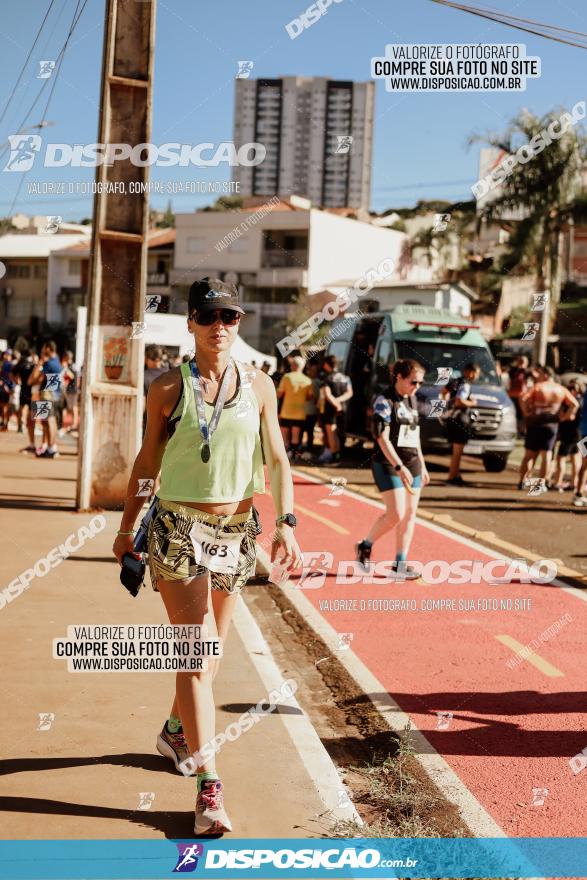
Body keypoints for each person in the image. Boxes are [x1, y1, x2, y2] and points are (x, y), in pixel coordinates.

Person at [112, 277, 303, 836]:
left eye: (231, 317)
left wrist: (286, 524)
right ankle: (208, 787)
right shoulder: (168, 388)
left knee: (212, 652)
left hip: (237, 528)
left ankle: (177, 729)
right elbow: (147, 463)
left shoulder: (261, 386)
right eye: (209, 316)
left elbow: (280, 460)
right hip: (178, 527)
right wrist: (127, 529)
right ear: (191, 322)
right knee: (196, 657)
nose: (220, 326)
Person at [356, 359, 429, 579]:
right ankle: (365, 545)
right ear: (398, 377)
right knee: (396, 513)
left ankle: (400, 563)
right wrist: (398, 466)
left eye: (420, 383)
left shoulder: (413, 399)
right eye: (413, 382)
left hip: (412, 463)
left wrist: (422, 465)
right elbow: (381, 438)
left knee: (410, 515)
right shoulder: (384, 401)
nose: (417, 387)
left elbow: (415, 437)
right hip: (388, 463)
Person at [518, 365, 579, 490]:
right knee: (547, 455)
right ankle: (541, 484)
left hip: (536, 422)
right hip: (551, 424)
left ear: (546, 374)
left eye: (540, 374)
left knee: (529, 454)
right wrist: (564, 417)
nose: (538, 377)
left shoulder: (538, 387)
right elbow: (574, 404)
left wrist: (526, 413)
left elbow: (522, 398)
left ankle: (522, 481)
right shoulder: (560, 389)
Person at [442, 362, 481, 486]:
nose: (477, 376)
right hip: (460, 420)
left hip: (453, 418)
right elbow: (459, 401)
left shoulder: (456, 381)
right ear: (470, 372)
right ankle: (452, 477)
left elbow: (443, 391)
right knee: (457, 452)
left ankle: (455, 475)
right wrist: (473, 403)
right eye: (477, 373)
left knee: (456, 451)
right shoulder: (465, 384)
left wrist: (447, 405)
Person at [28, 341, 62, 458]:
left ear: (48, 348)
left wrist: (40, 363)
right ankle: (48, 446)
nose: (42, 351)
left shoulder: (49, 363)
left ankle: (52, 447)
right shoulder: (56, 362)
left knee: (49, 421)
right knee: (46, 422)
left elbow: (34, 379)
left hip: (47, 395)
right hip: (51, 394)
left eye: (44, 348)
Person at [317, 354, 353, 464]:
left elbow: (327, 395)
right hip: (342, 409)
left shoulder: (327, 378)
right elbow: (350, 393)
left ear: (327, 364)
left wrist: (335, 403)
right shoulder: (345, 377)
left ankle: (333, 457)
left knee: (331, 434)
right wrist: (340, 402)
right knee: (336, 433)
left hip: (330, 410)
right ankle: (336, 456)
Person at [276, 355, 313, 459]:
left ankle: (285, 453)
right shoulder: (307, 380)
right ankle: (294, 454)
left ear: (294, 365)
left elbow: (279, 394)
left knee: (284, 433)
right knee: (296, 435)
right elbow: (310, 397)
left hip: (286, 411)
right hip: (300, 412)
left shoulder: (287, 377)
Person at [550, 380, 583, 492]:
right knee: (575, 458)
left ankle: (558, 482)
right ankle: (574, 483)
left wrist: (562, 417)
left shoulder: (574, 403)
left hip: (571, 435)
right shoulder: (581, 400)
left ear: (573, 391)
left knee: (561, 458)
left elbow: (571, 417)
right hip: (578, 434)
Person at [508, 355, 530, 436]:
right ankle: (515, 430)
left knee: (523, 414)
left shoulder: (527, 371)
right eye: (520, 361)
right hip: (512, 395)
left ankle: (522, 431)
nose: (521, 363)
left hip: (522, 397)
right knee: (513, 414)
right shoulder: (513, 371)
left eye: (523, 362)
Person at [302, 361, 321, 454]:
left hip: (312, 411)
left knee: (309, 431)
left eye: (314, 370)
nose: (311, 372)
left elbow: (316, 397)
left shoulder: (317, 382)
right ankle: (302, 448)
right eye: (310, 370)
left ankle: (309, 448)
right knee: (302, 431)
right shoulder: (306, 380)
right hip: (303, 411)